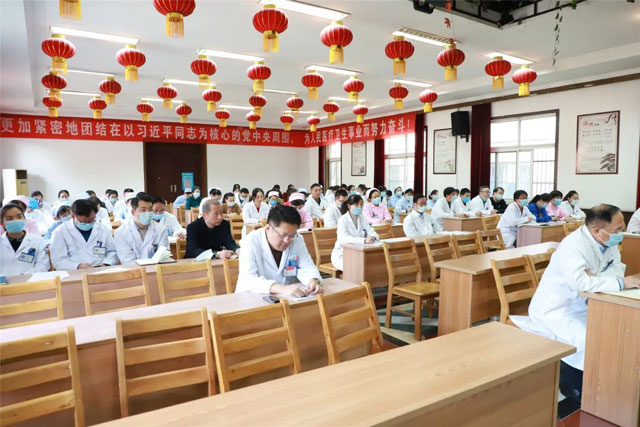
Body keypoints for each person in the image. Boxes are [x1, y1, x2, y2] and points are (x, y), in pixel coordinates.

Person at [523, 204, 640, 408]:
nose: (621, 233)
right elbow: (581, 283)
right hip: (558, 308)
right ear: (597, 229)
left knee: (612, 330)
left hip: (587, 302)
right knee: (588, 337)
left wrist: (598, 278)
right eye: (618, 229)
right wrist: (617, 283)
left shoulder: (607, 239)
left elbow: (618, 268)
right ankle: (571, 385)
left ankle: (607, 382)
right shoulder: (573, 246)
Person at [236, 205, 322, 296]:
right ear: (268, 228)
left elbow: (307, 266)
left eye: (292, 235)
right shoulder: (251, 241)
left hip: (288, 298)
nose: (287, 240)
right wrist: (281, 288)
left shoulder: (297, 239)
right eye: (282, 235)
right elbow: (248, 279)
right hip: (253, 298)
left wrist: (313, 280)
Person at [50, 198, 118, 269]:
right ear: (73, 216)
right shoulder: (60, 232)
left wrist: (106, 264)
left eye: (91, 220)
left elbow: (112, 251)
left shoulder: (103, 229)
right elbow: (58, 260)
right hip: (73, 271)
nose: (88, 223)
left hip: (101, 269)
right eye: (84, 221)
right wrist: (77, 266)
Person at [113, 193, 169, 264]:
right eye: (143, 210)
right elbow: (127, 260)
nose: (148, 213)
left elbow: (163, 256)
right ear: (133, 212)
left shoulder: (161, 229)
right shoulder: (121, 233)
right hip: (133, 270)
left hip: (156, 269)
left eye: (150, 209)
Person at [331, 195, 378, 271]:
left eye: (361, 204)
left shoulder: (362, 218)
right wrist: (364, 240)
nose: (360, 207)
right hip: (342, 254)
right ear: (349, 206)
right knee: (354, 267)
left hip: (358, 252)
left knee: (371, 265)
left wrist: (373, 237)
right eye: (356, 205)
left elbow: (372, 232)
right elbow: (343, 238)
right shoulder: (342, 220)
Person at [0, 203, 49, 275]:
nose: (15, 220)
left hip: (31, 280)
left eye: (19, 217)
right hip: (3, 281)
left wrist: (25, 277)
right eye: (9, 218)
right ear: (2, 224)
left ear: (25, 219)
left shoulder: (38, 241)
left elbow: (43, 265)